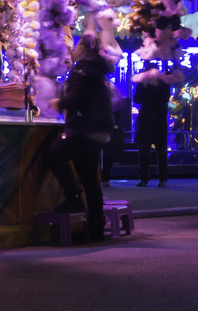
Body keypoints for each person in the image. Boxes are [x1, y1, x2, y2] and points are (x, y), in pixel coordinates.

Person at [45, 36, 113, 242]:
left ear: (82, 48)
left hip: (85, 128)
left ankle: (72, 197)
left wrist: (59, 102)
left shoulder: (83, 69)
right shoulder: (97, 68)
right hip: (98, 129)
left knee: (54, 152)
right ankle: (96, 226)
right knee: (90, 179)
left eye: (76, 47)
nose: (73, 51)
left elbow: (77, 97)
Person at [133, 63, 174, 187]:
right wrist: (144, 86)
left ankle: (162, 178)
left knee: (161, 152)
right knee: (144, 152)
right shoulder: (142, 83)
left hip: (158, 120)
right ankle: (143, 177)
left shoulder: (164, 82)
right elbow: (136, 99)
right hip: (145, 120)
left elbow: (166, 97)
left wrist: (157, 86)